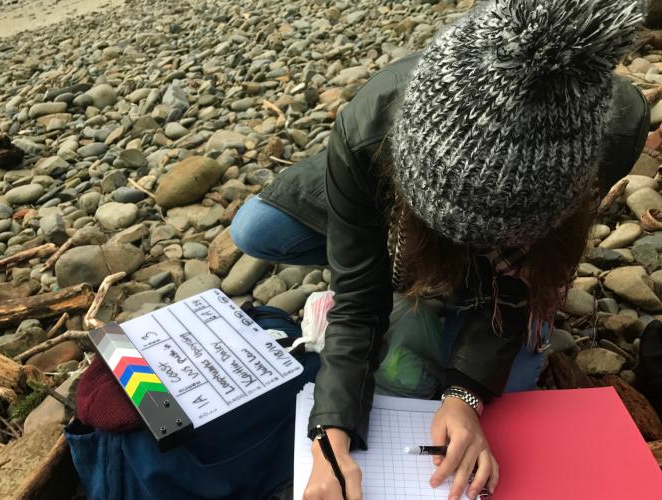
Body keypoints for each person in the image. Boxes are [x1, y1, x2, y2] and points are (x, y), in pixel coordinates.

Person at [231, 0, 649, 499]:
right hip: (383, 170)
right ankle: (421, 269)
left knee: (507, 394)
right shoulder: (368, 127)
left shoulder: (617, 133)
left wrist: (464, 395)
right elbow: (360, 299)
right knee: (255, 230)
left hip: (508, 241)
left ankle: (449, 287)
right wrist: (329, 431)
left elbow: (530, 269)